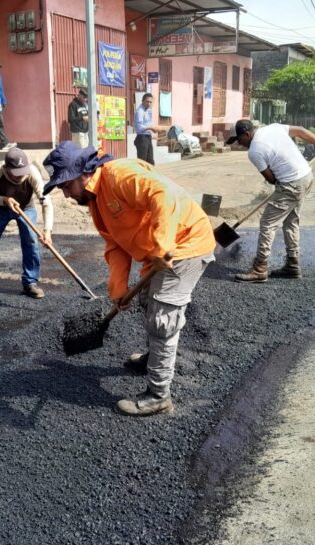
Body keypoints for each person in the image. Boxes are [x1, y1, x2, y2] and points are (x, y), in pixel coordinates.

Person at [43, 142, 216, 417]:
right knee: (147, 302)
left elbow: (163, 194)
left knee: (162, 316)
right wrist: (119, 290)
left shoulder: (119, 175)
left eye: (65, 186)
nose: (65, 194)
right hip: (157, 253)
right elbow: (115, 246)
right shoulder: (95, 200)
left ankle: (159, 395)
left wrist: (162, 245)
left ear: (81, 173)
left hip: (183, 244)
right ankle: (154, 358)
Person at [225, 119, 315, 283]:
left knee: (267, 223)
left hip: (291, 183)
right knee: (291, 221)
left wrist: (281, 185)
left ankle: (259, 269)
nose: (239, 144)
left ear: (247, 134)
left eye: (239, 140)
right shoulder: (273, 128)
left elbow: (272, 179)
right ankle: (292, 264)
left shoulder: (254, 151)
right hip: (306, 177)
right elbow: (301, 130)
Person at [0, 147, 52, 299]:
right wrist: (4, 200)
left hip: (25, 207)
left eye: (23, 172)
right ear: (6, 168)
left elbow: (46, 202)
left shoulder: (32, 172)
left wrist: (47, 231)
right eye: (16, 173)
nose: (20, 177)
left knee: (31, 241)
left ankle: (30, 283)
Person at [134, 92, 157, 165]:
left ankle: (149, 176)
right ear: (142, 101)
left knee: (150, 161)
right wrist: (151, 128)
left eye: (150, 102)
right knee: (142, 162)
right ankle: (141, 176)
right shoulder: (140, 111)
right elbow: (139, 127)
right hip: (142, 138)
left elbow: (148, 123)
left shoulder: (148, 110)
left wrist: (152, 132)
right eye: (147, 101)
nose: (149, 103)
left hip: (147, 137)